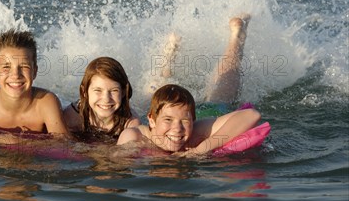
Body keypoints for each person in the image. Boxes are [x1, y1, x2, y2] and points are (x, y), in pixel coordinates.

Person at [117, 14, 261, 155]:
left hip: (206, 112)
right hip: (162, 111)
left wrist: (201, 149)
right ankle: (168, 57)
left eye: (185, 121)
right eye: (168, 120)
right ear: (151, 121)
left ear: (193, 121)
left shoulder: (195, 132)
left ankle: (236, 37)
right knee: (152, 94)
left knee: (219, 99)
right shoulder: (135, 137)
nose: (177, 128)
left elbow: (251, 115)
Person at [0, 29, 70, 136]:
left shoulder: (46, 103)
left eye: (24, 66)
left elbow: (63, 145)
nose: (16, 75)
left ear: (34, 71)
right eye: (6, 67)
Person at [63, 57, 140, 140]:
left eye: (114, 90)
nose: (106, 99)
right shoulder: (74, 115)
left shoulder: (130, 124)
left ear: (123, 92)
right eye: (98, 90)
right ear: (84, 92)